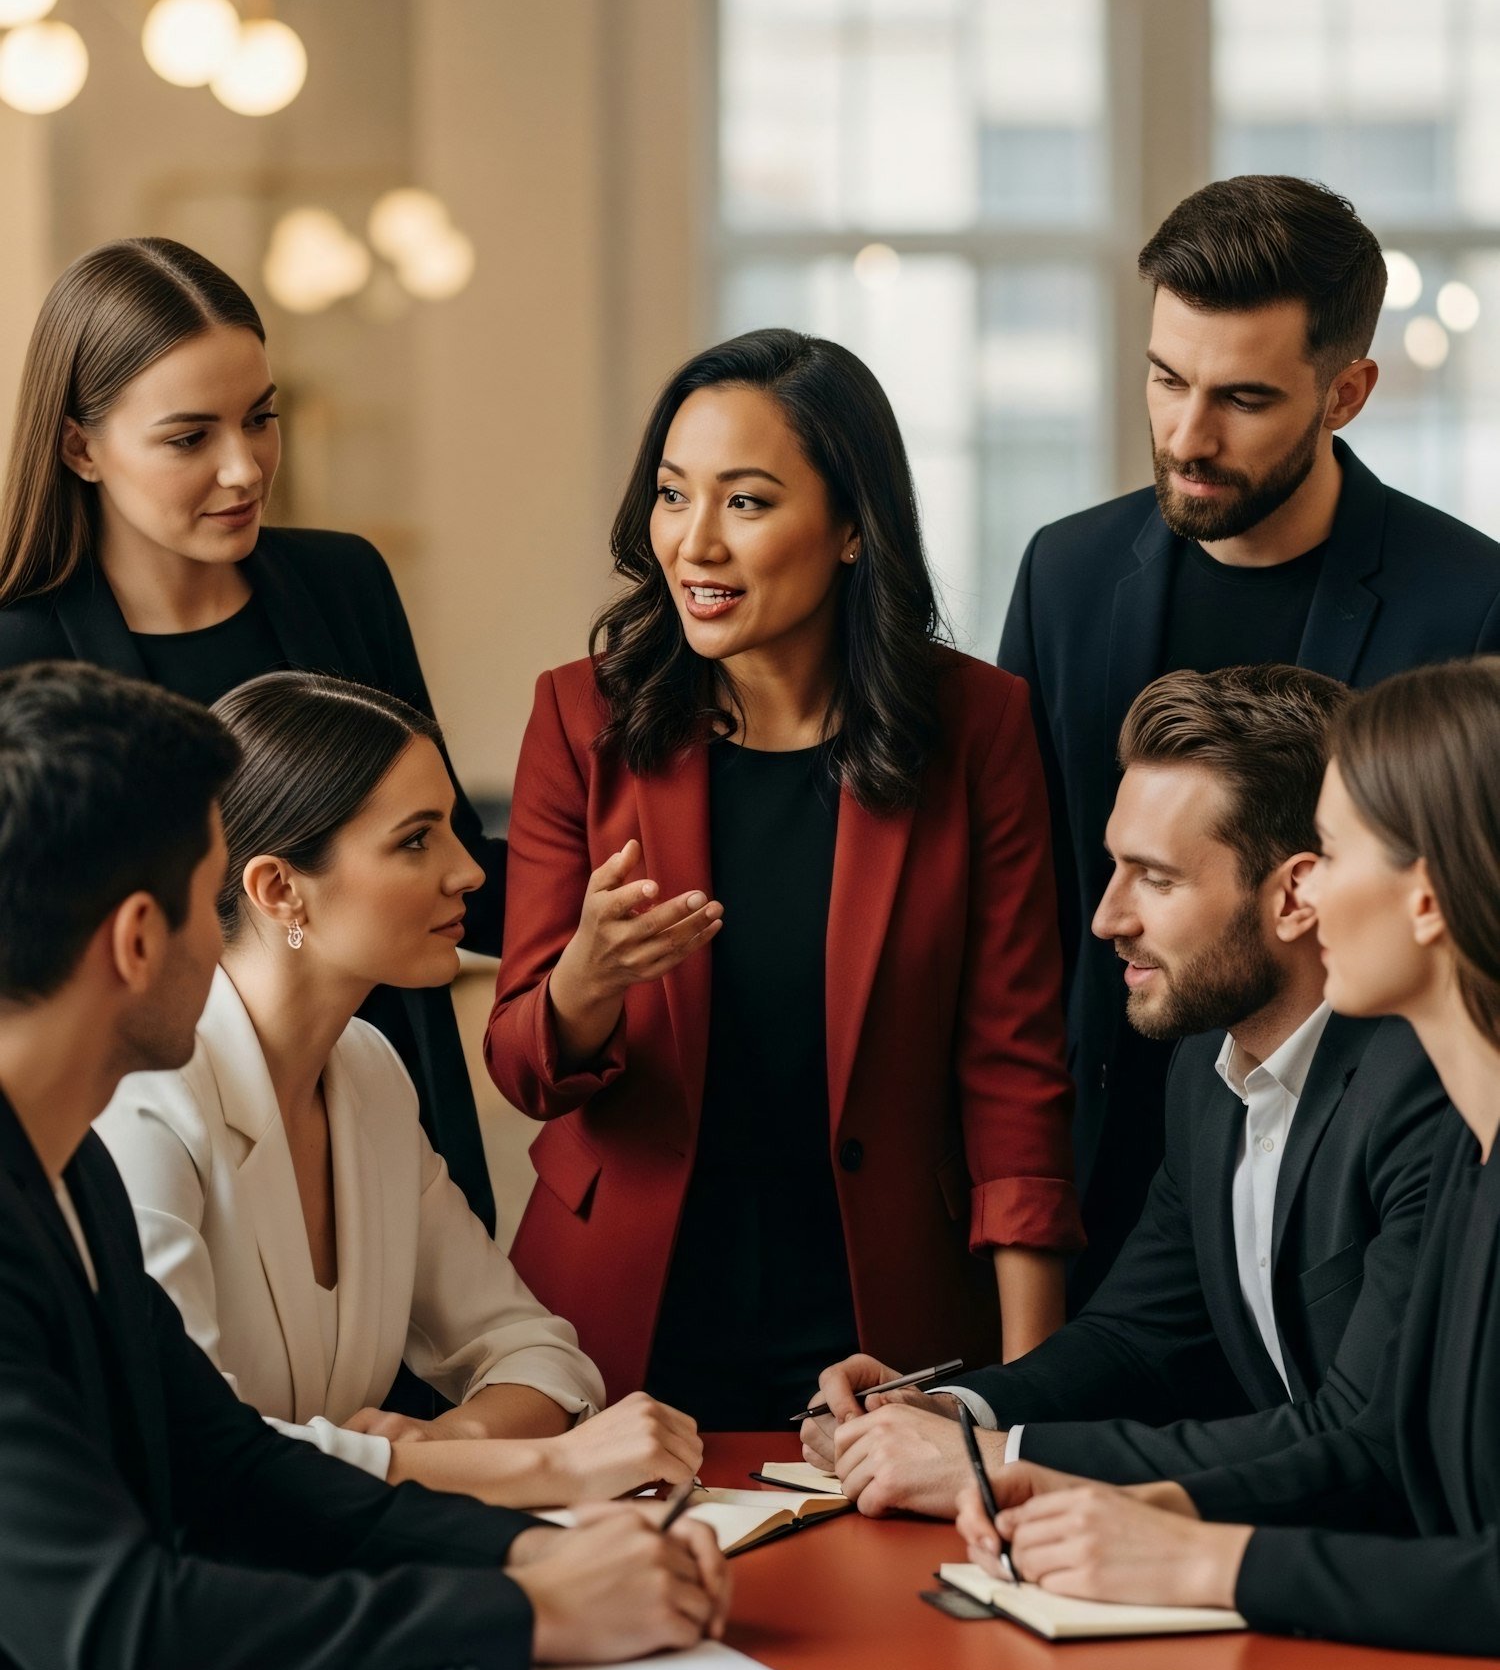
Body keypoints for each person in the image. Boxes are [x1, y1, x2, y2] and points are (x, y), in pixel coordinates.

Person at [0, 660, 730, 1670]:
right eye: (214, 896)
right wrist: (532, 1611)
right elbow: (118, 1625)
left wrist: (536, 1549)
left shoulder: (63, 1169)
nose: (231, 937)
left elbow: (231, 1461)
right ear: (137, 938)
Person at [899, 658, 1500, 1670]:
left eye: (1330, 855)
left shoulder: (1447, 1133)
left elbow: (1369, 1454)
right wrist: (1070, 1465)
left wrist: (1199, 1551)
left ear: (1421, 891)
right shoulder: (1475, 1153)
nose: (1105, 916)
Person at [489, 327, 1080, 1437]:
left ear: (854, 527)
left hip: (878, 1327)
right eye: (672, 495)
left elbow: (1015, 1074)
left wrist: (1024, 1397)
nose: (693, 544)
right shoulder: (581, 718)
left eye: (747, 502)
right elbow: (524, 1061)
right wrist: (586, 979)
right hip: (620, 1314)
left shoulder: (978, 727)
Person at [1001, 176, 1500, 1302]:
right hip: (1105, 1161)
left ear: (1348, 392)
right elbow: (1024, 899)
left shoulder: (1470, 603)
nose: (1187, 434)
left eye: (1242, 398)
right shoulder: (1066, 576)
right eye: (1167, 378)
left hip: (1364, 1190)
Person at [805, 665, 1450, 1515]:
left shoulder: (1427, 1088)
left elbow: (1359, 1433)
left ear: (1294, 894)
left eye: (1156, 876)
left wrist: (993, 1456)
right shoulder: (1203, 1073)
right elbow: (1138, 1337)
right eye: (1114, 867)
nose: (1108, 916)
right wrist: (951, 1410)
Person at [96, 670, 701, 1507]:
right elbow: (185, 1448)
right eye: (417, 840)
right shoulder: (143, 1097)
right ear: (279, 890)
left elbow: (539, 1352)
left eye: (453, 830)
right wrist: (533, 1466)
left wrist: (453, 1440)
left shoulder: (369, 1071)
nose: (469, 873)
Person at [0, 236, 503, 1233]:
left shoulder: (343, 584)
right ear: (79, 446)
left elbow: (438, 857)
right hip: (146, 1142)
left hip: (379, 1090)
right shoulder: (18, 648)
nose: (245, 467)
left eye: (262, 418)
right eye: (190, 438)